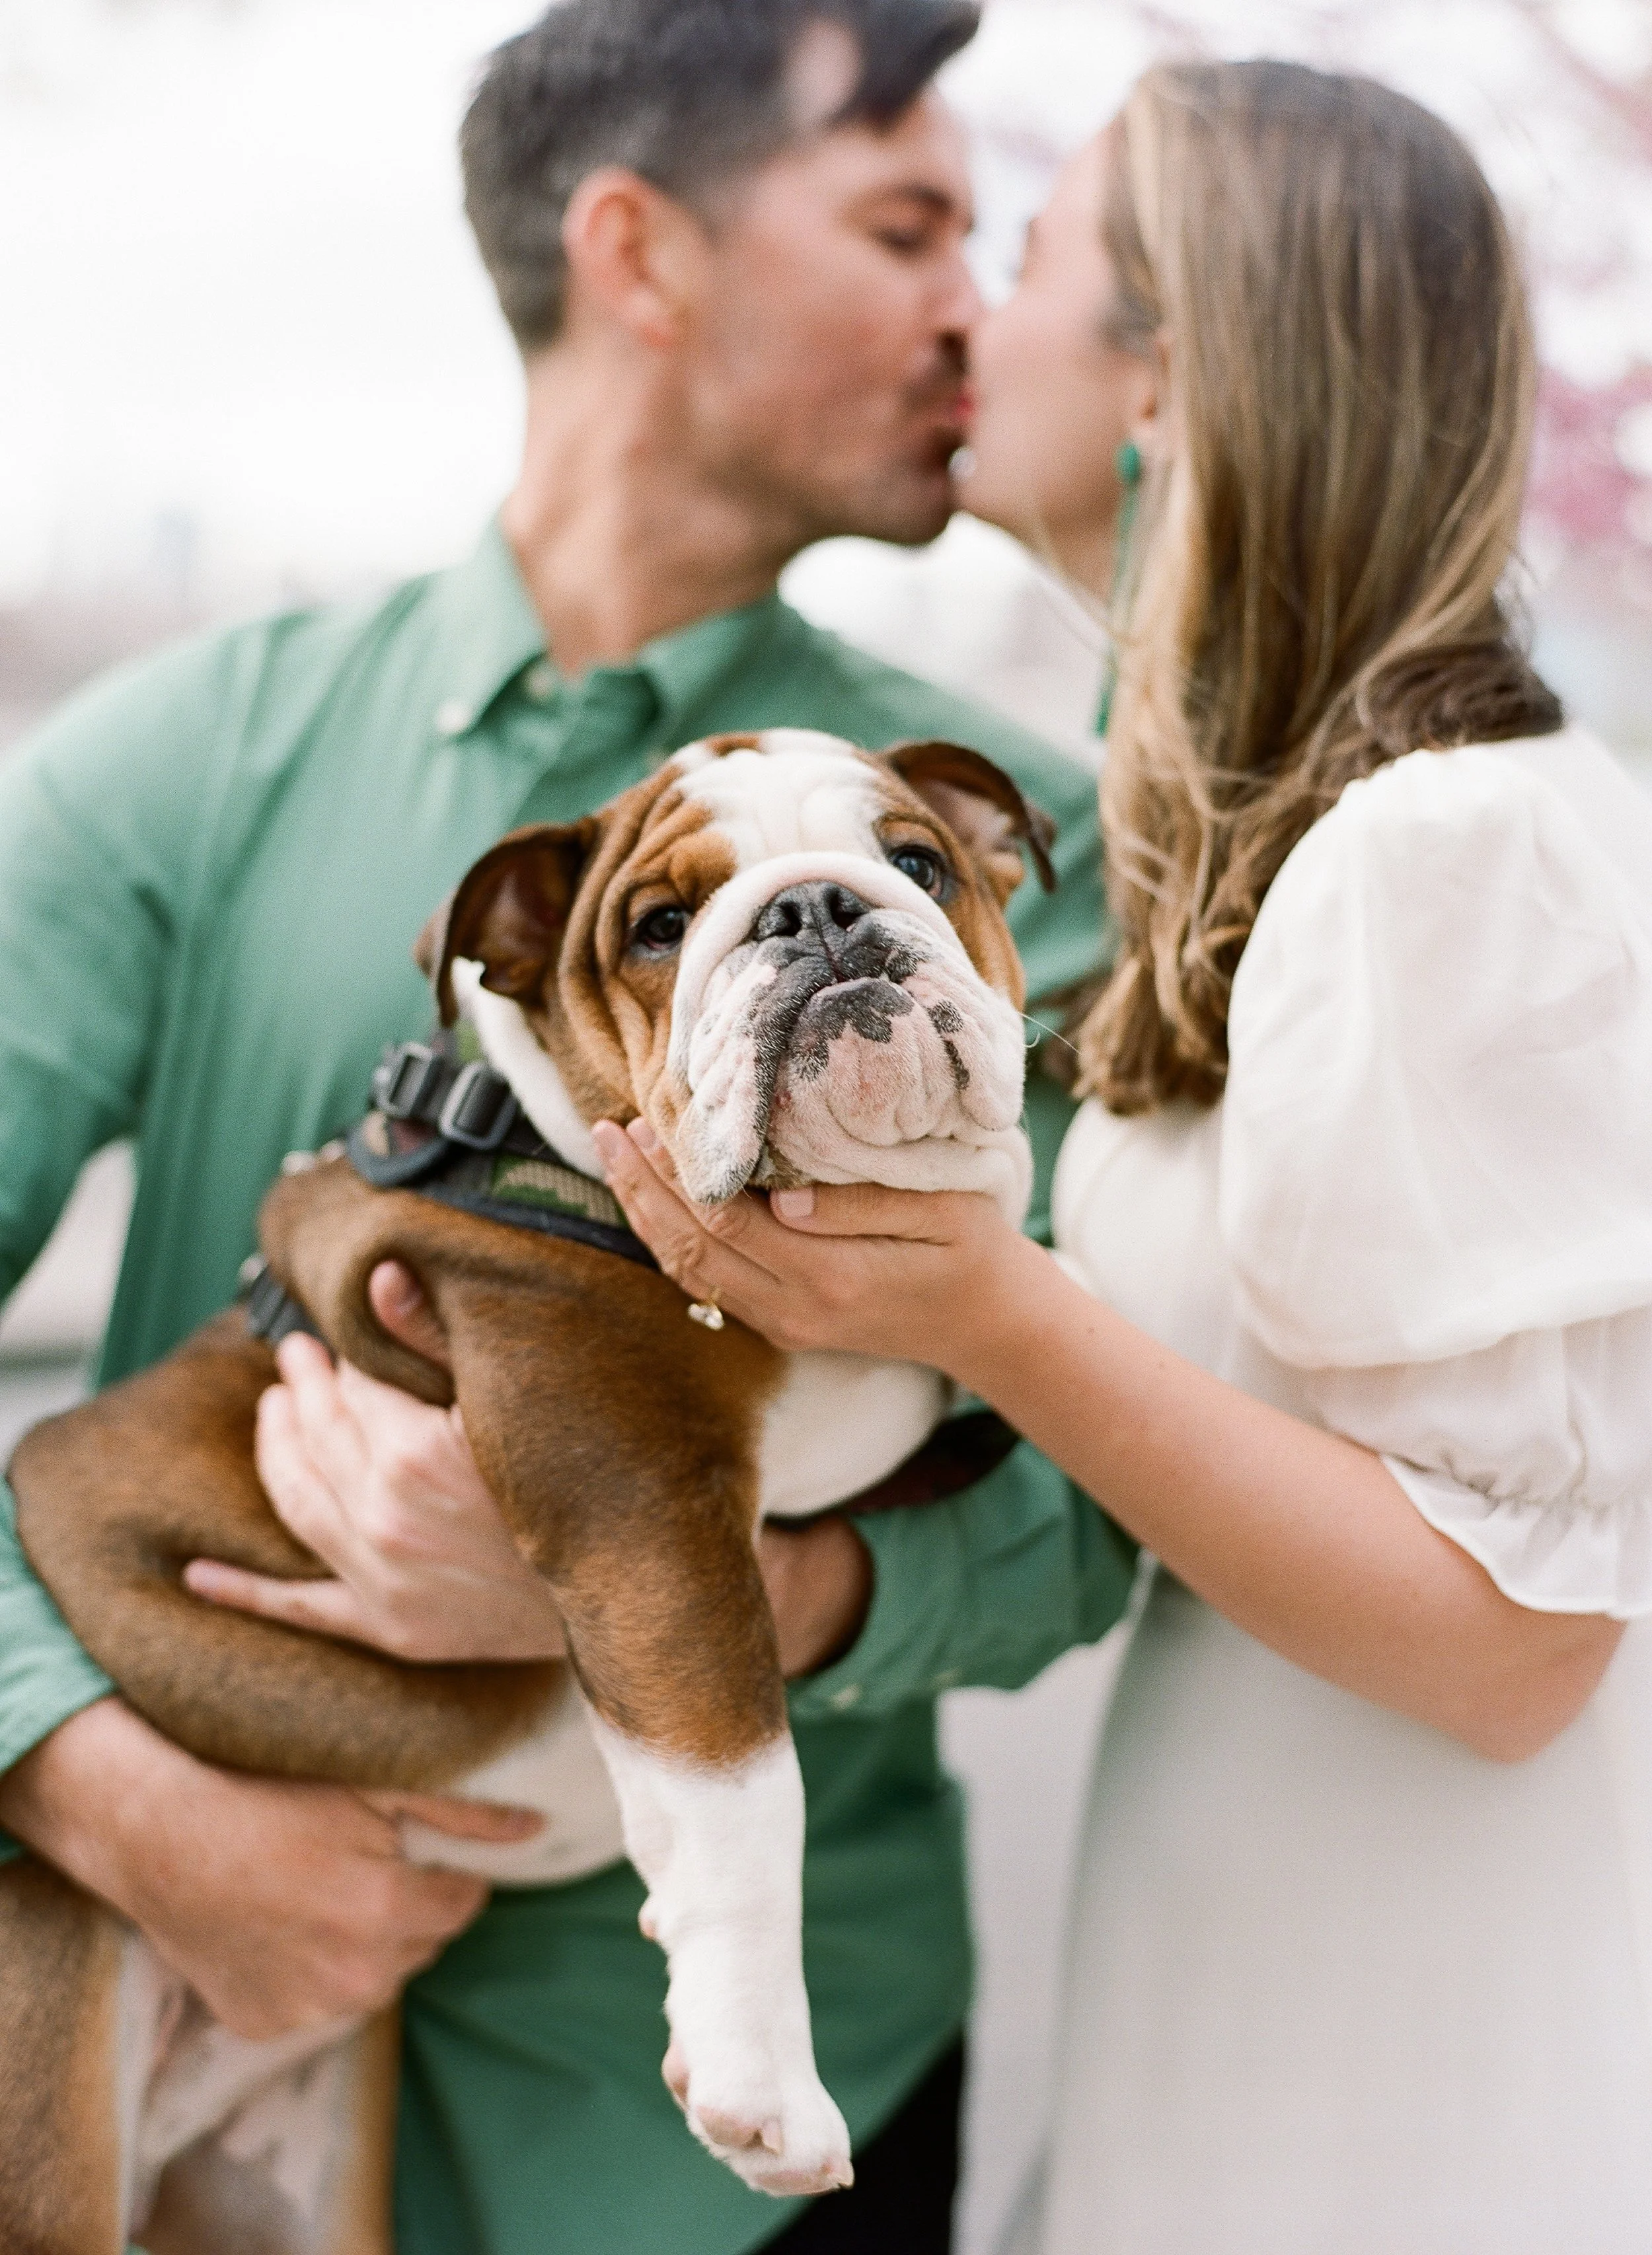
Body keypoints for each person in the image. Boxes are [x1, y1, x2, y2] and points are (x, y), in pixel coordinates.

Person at [0, 6, 1139, 2250]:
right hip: (140, 2043)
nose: (970, 310)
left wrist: (753, 1591)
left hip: (770, 2133)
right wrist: (92, 1772)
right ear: (641, 251)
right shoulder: (179, 766)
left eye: (993, 243)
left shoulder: (1013, 856)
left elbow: (1118, 1496)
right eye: (905, 222)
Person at [595, 58, 1652, 2255]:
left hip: (1424, 2073)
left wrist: (985, 1301)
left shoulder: (1448, 848)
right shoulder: (1254, 854)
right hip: (1252, 1991)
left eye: (1034, 253)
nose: (969, 310)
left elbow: (1515, 1637)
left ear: (1173, 369)